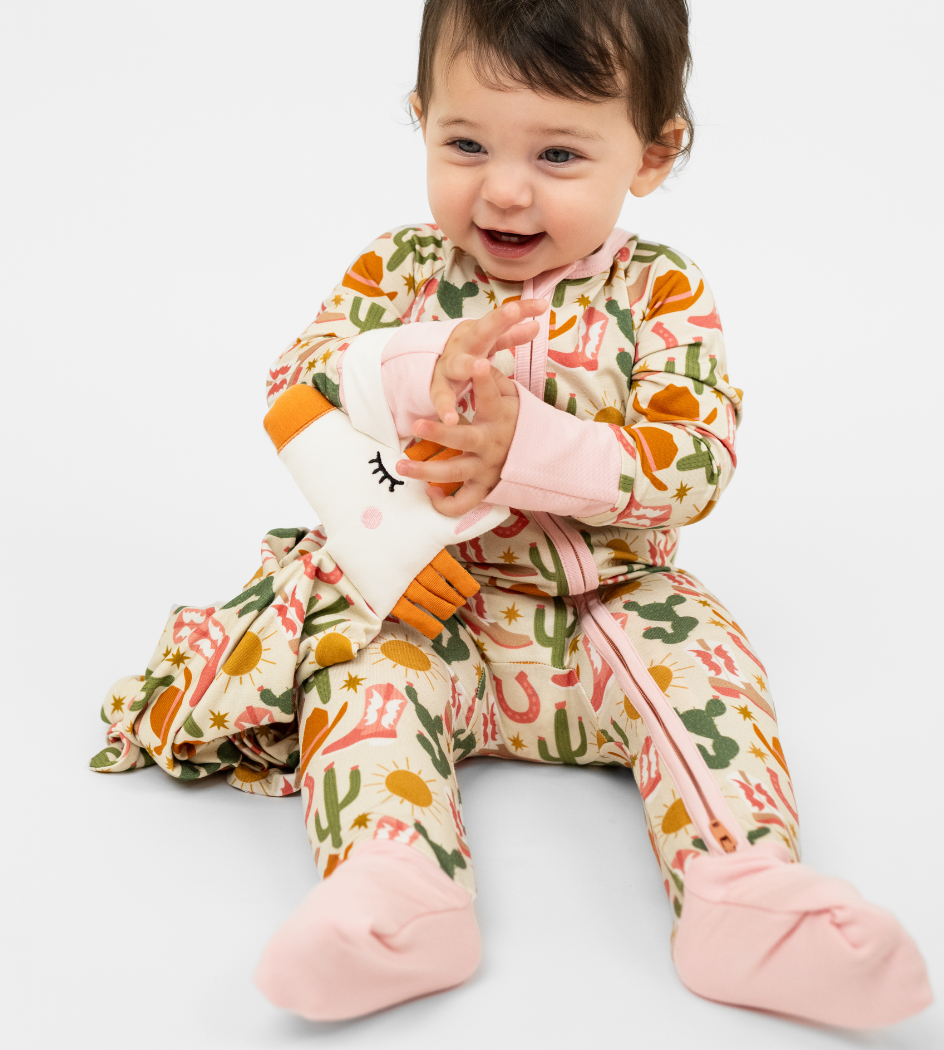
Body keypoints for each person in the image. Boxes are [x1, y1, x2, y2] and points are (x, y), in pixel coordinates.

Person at [93, 0, 932, 1027]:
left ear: (654, 155)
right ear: (420, 116)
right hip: (438, 601)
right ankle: (396, 888)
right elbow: (295, 388)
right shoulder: (400, 270)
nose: (503, 187)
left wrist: (526, 448)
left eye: (561, 153)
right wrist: (406, 377)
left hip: (608, 606)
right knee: (364, 691)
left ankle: (745, 897)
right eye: (465, 142)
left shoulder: (660, 292)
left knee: (708, 685)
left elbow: (695, 460)